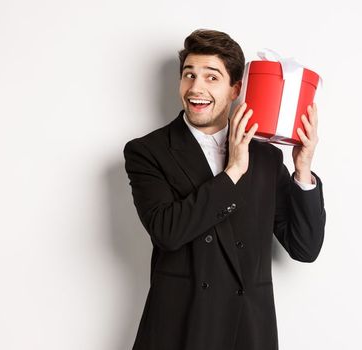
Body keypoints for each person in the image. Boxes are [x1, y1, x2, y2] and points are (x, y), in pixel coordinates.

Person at [123, 28, 326, 350]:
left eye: (211, 77)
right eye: (189, 75)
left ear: (236, 90)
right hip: (182, 325)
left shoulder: (267, 156)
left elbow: (305, 248)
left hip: (247, 328)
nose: (196, 87)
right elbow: (168, 232)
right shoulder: (148, 151)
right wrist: (232, 172)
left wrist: (303, 169)